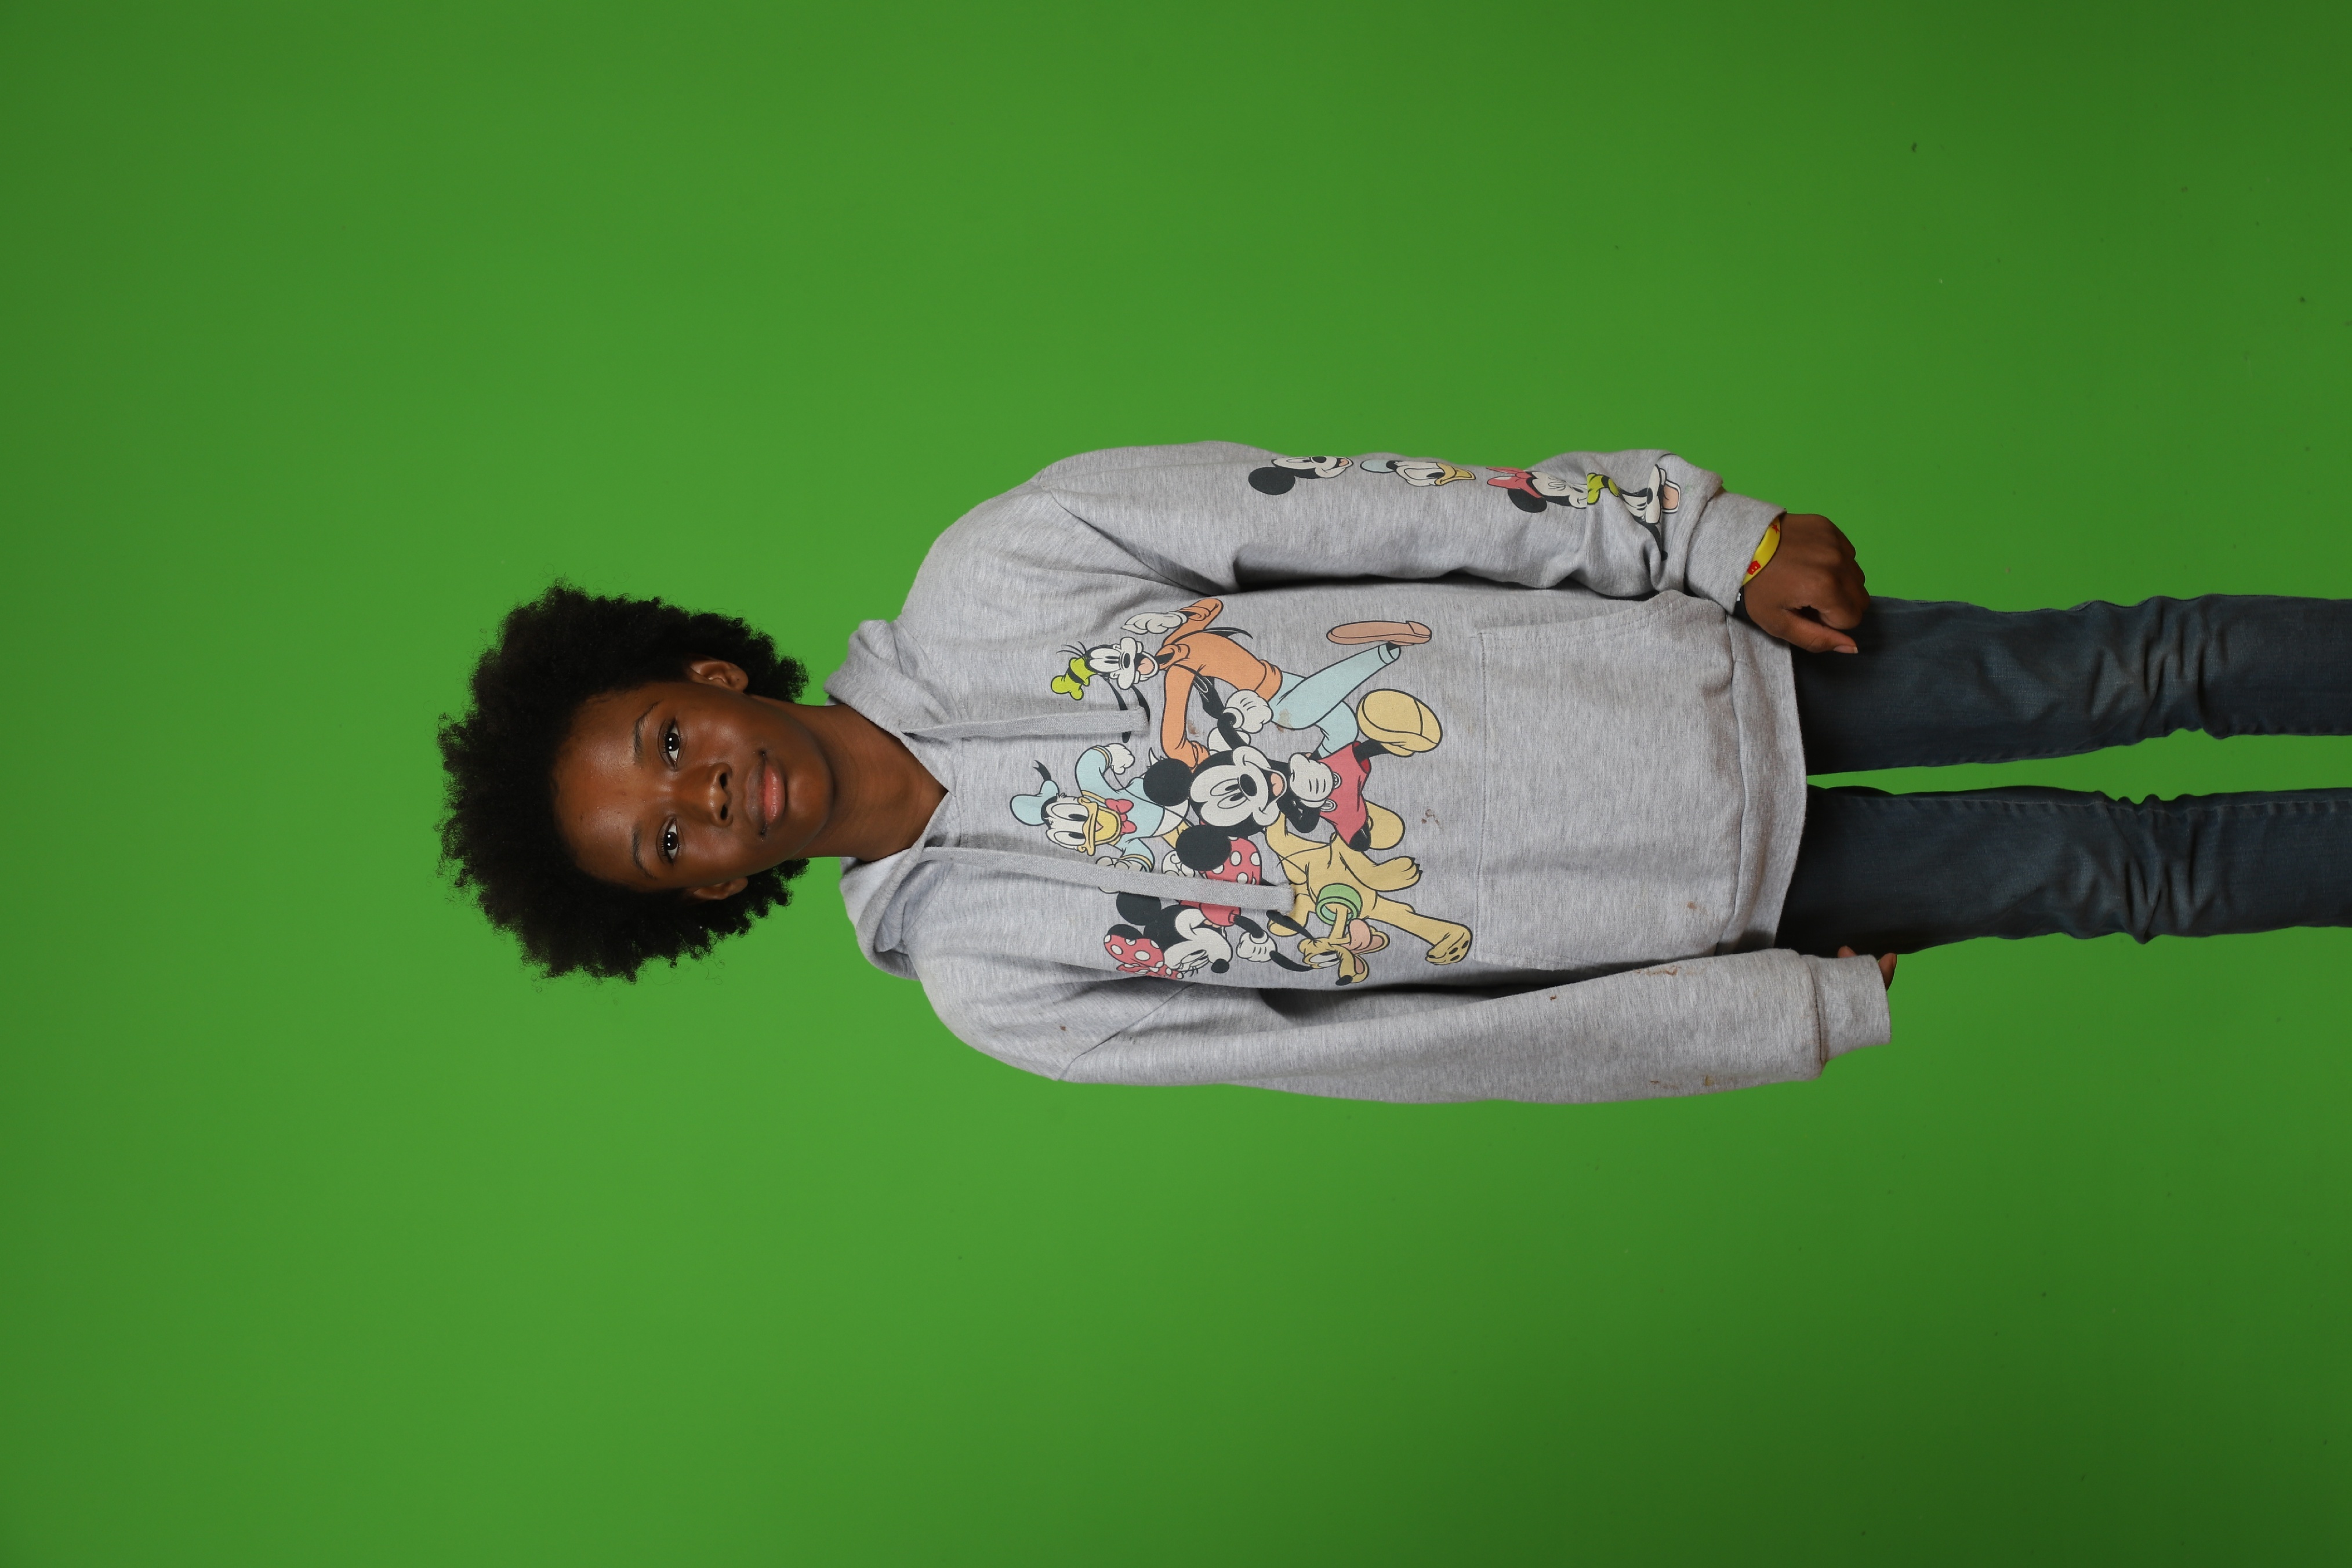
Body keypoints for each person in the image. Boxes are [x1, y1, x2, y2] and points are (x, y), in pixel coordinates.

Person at [437, 442, 2352, 1103]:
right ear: (705, 893)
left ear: (704, 677)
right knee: (2138, 879)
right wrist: (1762, 1015)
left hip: (1700, 672)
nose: (703, 795)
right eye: (665, 839)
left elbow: (1365, 507)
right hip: (1717, 906)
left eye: (667, 744)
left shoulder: (995, 568)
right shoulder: (994, 986)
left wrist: (1694, 533)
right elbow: (1385, 1049)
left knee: (2143, 662)